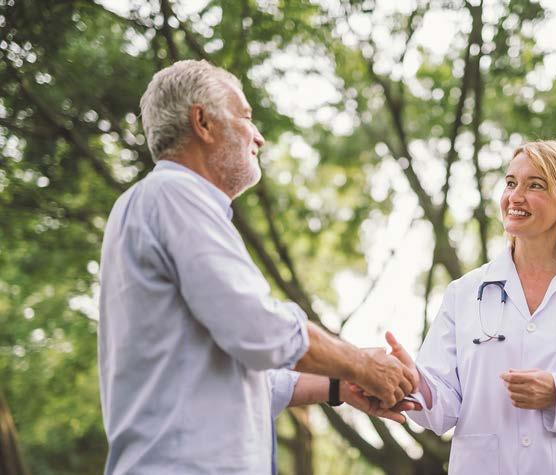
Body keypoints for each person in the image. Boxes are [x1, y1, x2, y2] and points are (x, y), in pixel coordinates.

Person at [98, 60, 417, 475]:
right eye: (246, 117)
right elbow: (258, 330)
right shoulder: (175, 195)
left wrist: (340, 385)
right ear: (203, 122)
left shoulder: (160, 205)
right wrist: (360, 363)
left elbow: (245, 380)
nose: (259, 137)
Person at [388, 140, 556, 474]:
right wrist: (411, 380)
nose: (515, 196)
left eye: (535, 185)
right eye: (511, 183)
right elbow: (442, 408)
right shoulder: (465, 293)